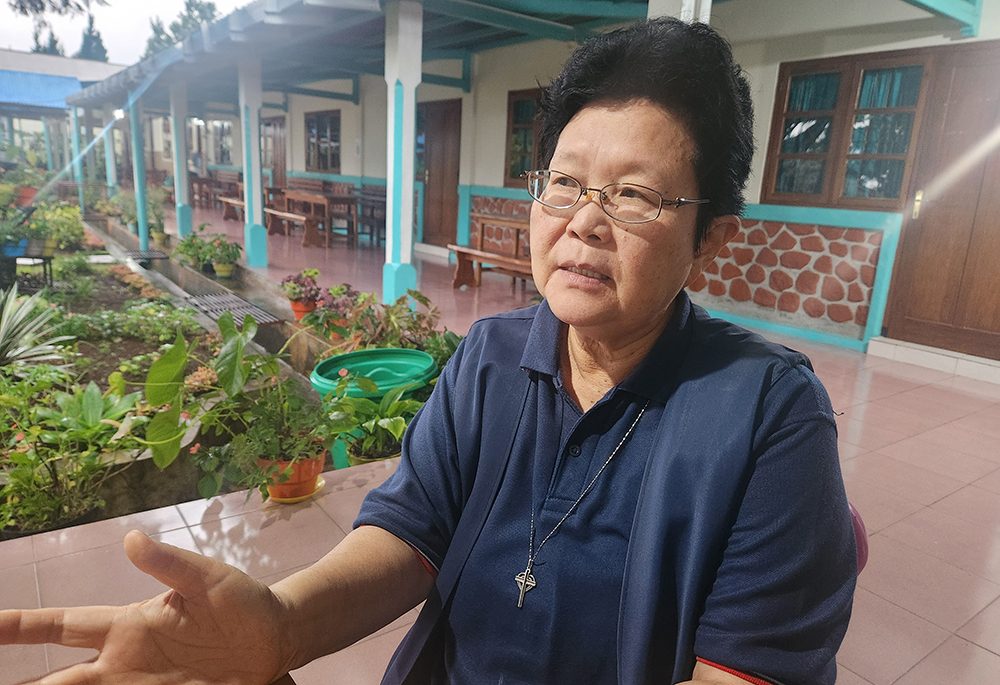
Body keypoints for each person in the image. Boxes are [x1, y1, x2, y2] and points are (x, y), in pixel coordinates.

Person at [0, 17, 856, 685]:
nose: (584, 219)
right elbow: (412, 534)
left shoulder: (768, 417)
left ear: (712, 239)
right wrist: (280, 624)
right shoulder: (489, 357)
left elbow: (751, 666)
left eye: (633, 194)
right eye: (563, 180)